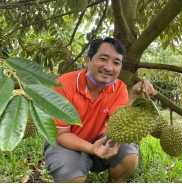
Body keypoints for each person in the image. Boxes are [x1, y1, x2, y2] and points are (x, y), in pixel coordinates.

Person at [44, 37, 157, 183]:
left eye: (116, 62)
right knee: (73, 177)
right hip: (65, 143)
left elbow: (120, 124)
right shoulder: (62, 86)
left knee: (129, 158)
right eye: (103, 59)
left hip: (99, 138)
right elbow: (61, 135)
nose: (109, 67)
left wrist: (134, 97)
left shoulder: (119, 88)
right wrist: (91, 149)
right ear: (88, 60)